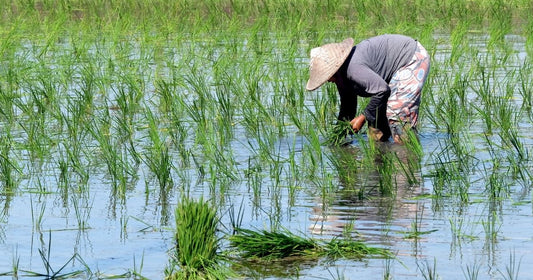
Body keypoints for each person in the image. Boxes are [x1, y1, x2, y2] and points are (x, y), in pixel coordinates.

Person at [306, 34, 430, 143]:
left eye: (328, 76)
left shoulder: (353, 68)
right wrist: (340, 134)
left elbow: (382, 90)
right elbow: (348, 106)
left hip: (411, 58)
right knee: (375, 124)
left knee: (397, 114)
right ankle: (381, 158)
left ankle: (407, 157)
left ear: (335, 69)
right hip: (393, 72)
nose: (328, 80)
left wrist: (362, 117)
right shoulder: (341, 77)